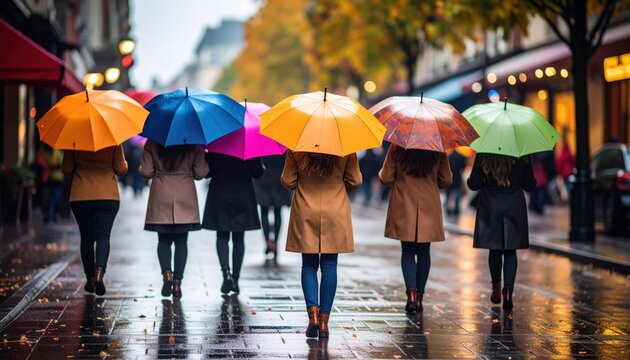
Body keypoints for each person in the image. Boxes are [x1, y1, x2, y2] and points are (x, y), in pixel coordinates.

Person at [281, 150, 362, 339]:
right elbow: (355, 181)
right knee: (330, 265)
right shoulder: (345, 147)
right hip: (335, 208)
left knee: (308, 264)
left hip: (305, 208)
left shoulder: (297, 147)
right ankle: (325, 321)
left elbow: (288, 181)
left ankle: (313, 317)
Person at [379, 145, 452, 313]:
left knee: (408, 251)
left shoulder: (397, 148)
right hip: (429, 204)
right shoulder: (438, 149)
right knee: (424, 252)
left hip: (404, 203)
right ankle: (419, 298)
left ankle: (410, 294)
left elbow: (385, 178)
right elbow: (446, 180)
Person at [139, 140, 208, 298]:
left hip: (161, 193)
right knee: (181, 242)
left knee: (163, 241)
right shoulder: (193, 142)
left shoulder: (153, 142)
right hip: (185, 194)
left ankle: (167, 275)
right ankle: (177, 282)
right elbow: (200, 173)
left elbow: (146, 172)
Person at [467, 153, 536, 310]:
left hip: (490, 204)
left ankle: (496, 289)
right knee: (511, 250)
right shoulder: (522, 153)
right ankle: (508, 292)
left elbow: (475, 183)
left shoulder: (485, 153)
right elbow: (530, 184)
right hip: (514, 203)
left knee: (495, 248)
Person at [62, 145, 128, 296]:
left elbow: (66, 169)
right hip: (107, 195)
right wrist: (125, 164)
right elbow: (120, 169)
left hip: (81, 195)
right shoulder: (112, 139)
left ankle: (90, 278)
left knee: (86, 238)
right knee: (103, 236)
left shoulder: (73, 138)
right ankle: (99, 271)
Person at [202, 153, 264, 295]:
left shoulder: (217, 142)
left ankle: (226, 274)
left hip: (220, 192)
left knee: (221, 236)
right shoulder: (249, 142)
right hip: (242, 193)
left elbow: (207, 172)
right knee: (238, 238)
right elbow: (257, 172)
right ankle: (235, 279)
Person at [254, 154, 292, 262]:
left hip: (263, 177)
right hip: (279, 178)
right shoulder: (282, 142)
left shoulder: (261, 139)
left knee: (264, 211)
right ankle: (275, 243)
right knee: (277, 211)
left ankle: (268, 242)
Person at [444, 149, 467, 215]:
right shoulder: (461, 157)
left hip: (450, 176)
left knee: (448, 193)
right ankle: (456, 209)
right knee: (457, 193)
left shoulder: (449, 156)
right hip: (458, 176)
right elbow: (464, 166)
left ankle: (447, 208)